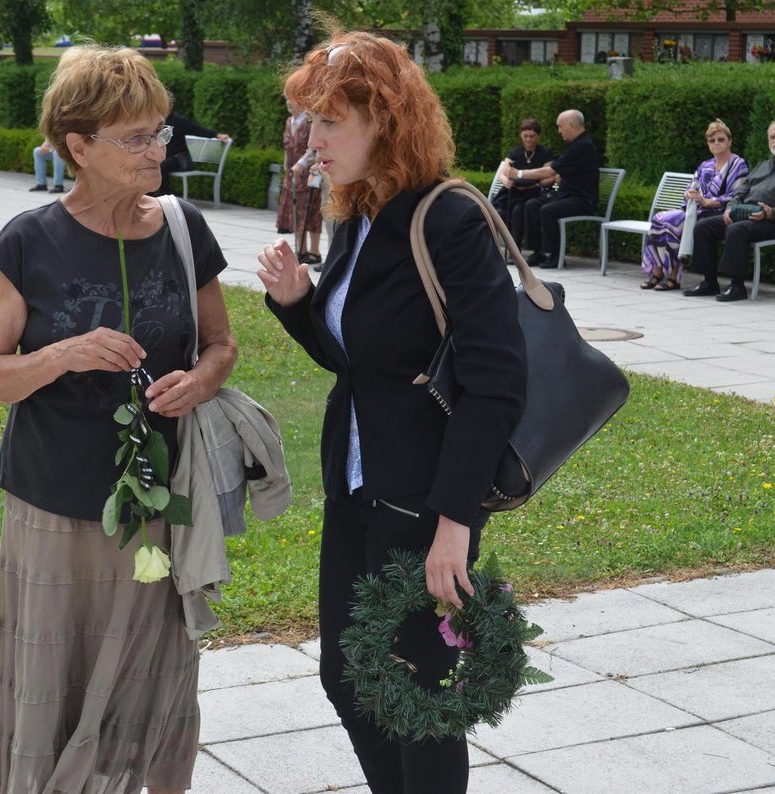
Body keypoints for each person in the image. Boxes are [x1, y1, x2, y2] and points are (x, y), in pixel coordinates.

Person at [256, 30, 526, 794]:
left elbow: (496, 382)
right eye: (310, 122)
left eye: (331, 123)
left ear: (386, 122)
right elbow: (358, 363)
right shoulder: (357, 217)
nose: (314, 143)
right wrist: (298, 304)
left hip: (423, 501)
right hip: (356, 490)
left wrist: (455, 522)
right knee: (347, 678)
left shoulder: (447, 220)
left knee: (415, 690)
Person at [0, 43, 238, 793]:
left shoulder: (184, 229)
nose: (158, 150)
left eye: (160, 132)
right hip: (55, 505)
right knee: (57, 673)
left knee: (154, 674)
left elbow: (222, 344)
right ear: (77, 147)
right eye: (135, 138)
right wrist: (63, 355)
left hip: (160, 504)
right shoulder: (30, 241)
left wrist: (201, 382)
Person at [685, 119, 775, 302]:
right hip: (745, 214)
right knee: (703, 226)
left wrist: (771, 213)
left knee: (735, 230)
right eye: (772, 137)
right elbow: (741, 191)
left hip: (774, 222)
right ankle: (709, 282)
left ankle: (737, 286)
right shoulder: (763, 165)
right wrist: (730, 208)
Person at [641, 119, 749, 292]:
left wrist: (707, 201)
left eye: (721, 139)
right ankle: (658, 271)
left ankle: (673, 276)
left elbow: (736, 196)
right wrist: (690, 194)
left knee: (674, 224)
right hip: (696, 211)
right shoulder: (705, 165)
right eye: (712, 140)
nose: (716, 143)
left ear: (730, 141)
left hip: (719, 213)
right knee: (660, 219)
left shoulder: (738, 164)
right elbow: (693, 186)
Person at [518, 109, 600, 269]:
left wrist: (519, 173)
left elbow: (551, 170)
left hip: (582, 200)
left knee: (549, 210)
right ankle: (537, 252)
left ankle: (554, 255)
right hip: (566, 195)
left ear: (571, 125)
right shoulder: (575, 145)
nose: (559, 131)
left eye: (560, 126)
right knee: (532, 205)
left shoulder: (583, 146)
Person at [494, 117, 555, 249]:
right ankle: (506, 247)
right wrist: (506, 181)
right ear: (521, 135)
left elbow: (550, 176)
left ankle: (516, 250)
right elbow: (504, 172)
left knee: (518, 211)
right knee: (502, 210)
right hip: (515, 192)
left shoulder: (546, 153)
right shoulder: (515, 152)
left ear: (538, 136)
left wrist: (535, 184)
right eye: (525, 136)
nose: (528, 140)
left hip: (534, 193)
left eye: (532, 136)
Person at [276, 99, 323, 265]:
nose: (289, 102)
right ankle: (301, 250)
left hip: (309, 173)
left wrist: (301, 164)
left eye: (293, 99)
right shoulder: (289, 121)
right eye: (287, 98)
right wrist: (287, 170)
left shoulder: (310, 120)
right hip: (292, 174)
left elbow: (314, 149)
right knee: (295, 212)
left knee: (311, 213)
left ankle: (314, 252)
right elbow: (286, 150)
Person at [152, 109, 230, 196]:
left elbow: (197, 129)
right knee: (149, 164)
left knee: (162, 166)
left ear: (171, 105)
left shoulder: (180, 121)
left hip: (180, 159)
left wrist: (217, 135)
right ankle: (147, 195)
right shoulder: (158, 121)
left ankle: (164, 197)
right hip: (167, 157)